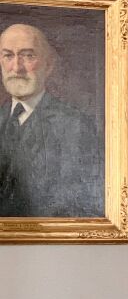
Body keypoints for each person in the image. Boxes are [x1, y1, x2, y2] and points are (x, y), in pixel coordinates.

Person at [0, 23, 102, 217]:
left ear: (48, 65)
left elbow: (76, 205)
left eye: (28, 56)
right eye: (8, 56)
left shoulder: (75, 126)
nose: (17, 67)